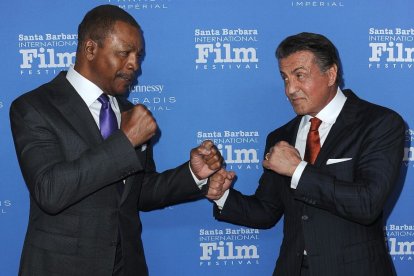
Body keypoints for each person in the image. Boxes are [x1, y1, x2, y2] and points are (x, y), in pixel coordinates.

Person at [10, 5, 227, 276]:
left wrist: (193, 174)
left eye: (138, 55)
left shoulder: (127, 112)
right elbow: (50, 191)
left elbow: (139, 193)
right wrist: (125, 140)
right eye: (125, 53)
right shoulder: (35, 107)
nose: (135, 64)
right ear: (90, 49)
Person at [211, 32, 405, 276]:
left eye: (299, 75)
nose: (290, 89)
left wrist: (297, 170)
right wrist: (222, 196)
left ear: (331, 74)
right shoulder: (280, 137)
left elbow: (367, 204)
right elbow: (266, 211)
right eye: (285, 78)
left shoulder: (379, 124)